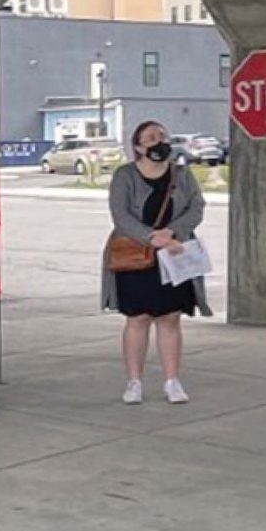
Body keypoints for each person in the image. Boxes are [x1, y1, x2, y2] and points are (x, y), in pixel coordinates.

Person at [102, 120, 209, 405]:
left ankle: (172, 381)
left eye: (162, 136)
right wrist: (151, 237)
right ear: (138, 146)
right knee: (138, 318)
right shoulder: (125, 175)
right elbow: (120, 215)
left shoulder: (182, 174)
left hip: (174, 252)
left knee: (170, 317)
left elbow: (196, 207)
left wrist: (172, 232)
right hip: (135, 255)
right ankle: (134, 382)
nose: (158, 141)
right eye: (150, 137)